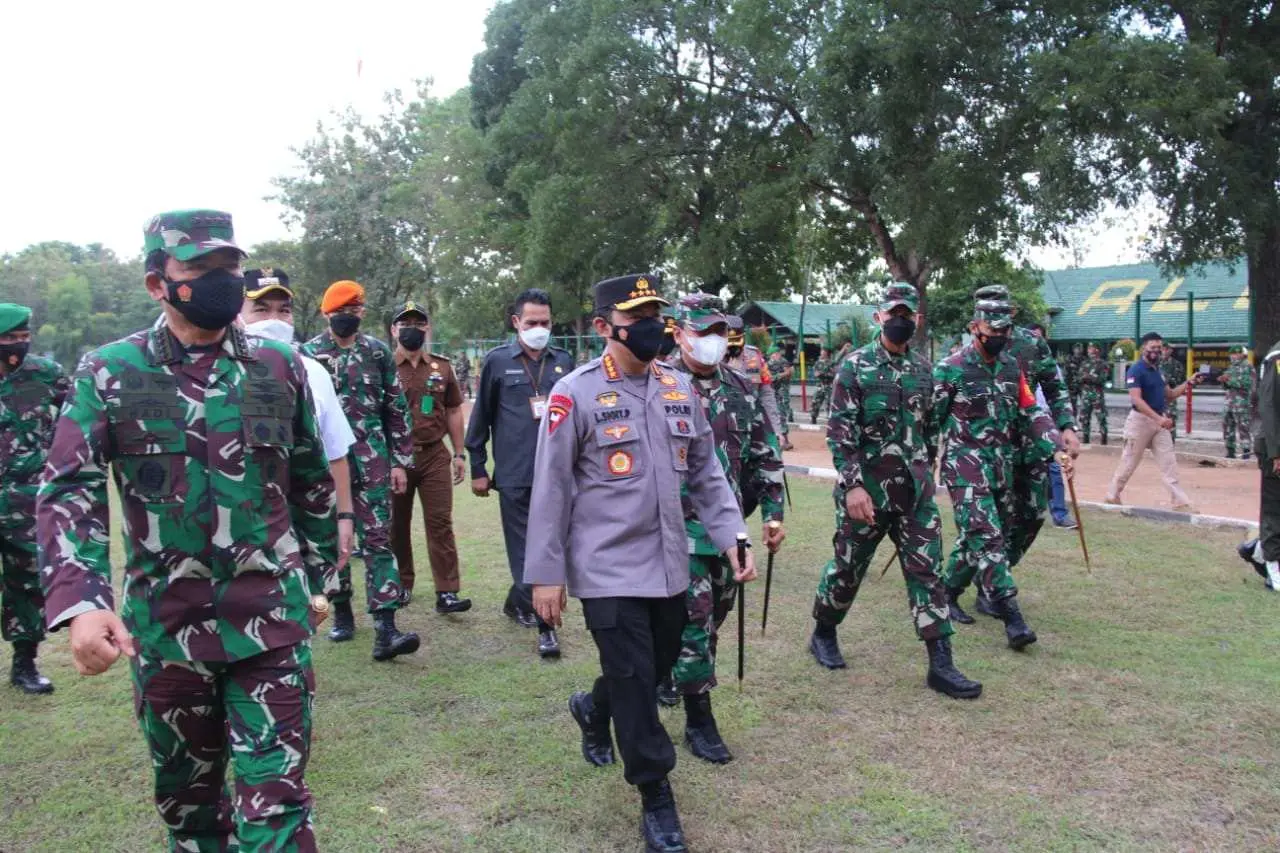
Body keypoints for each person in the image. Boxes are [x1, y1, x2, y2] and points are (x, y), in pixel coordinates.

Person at [38, 210, 336, 850]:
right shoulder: (111, 371)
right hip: (166, 633)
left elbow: (310, 476)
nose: (221, 281)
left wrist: (321, 583)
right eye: (199, 269)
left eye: (228, 267)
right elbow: (68, 485)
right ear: (158, 284)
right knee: (192, 814)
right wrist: (81, 603)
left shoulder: (279, 366)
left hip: (271, 626)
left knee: (278, 809)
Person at [524, 273, 755, 853]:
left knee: (648, 671)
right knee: (636, 681)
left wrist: (733, 536)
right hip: (606, 568)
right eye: (639, 317)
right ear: (605, 327)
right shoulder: (573, 394)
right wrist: (546, 575)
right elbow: (551, 490)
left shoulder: (678, 387)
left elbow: (706, 473)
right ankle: (656, 795)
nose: (652, 326)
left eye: (657, 314)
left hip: (670, 564)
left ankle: (591, 706)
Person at [809, 283, 980, 698]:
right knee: (848, 571)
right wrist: (851, 487)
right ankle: (823, 631)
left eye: (908, 314)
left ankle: (941, 663)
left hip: (915, 497)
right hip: (865, 495)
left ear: (917, 319)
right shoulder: (855, 367)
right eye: (894, 313)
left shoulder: (926, 370)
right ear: (878, 317)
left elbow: (931, 428)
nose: (901, 320)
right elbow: (839, 434)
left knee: (928, 573)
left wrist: (926, 474)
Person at [661, 293, 785, 762]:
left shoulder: (740, 389)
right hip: (674, 528)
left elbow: (764, 455)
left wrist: (773, 512)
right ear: (680, 333)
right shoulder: (661, 385)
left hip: (727, 529)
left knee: (714, 619)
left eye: (719, 331)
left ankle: (671, 673)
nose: (712, 341)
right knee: (694, 621)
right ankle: (699, 719)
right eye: (702, 331)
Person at [935, 294, 1066, 649]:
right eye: (993, 329)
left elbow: (1030, 411)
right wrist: (919, 467)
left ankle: (947, 591)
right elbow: (928, 421)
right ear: (974, 328)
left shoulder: (1012, 368)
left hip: (1001, 467)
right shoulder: (951, 368)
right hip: (965, 468)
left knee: (978, 539)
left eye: (1005, 329)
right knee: (988, 538)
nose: (1000, 335)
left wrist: (1055, 442)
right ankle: (1012, 617)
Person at [305, 281, 420, 658]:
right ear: (326, 315)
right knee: (332, 540)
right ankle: (341, 613)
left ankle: (386, 628)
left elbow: (395, 408)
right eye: (340, 313)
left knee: (377, 540)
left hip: (372, 460)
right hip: (325, 465)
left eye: (353, 312)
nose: (347, 318)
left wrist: (401, 462)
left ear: (362, 313)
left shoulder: (377, 352)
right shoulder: (308, 355)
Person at [465, 288, 574, 658]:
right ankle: (545, 626)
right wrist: (478, 467)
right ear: (516, 323)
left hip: (559, 474)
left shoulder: (564, 361)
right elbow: (480, 419)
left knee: (556, 545)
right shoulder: (497, 362)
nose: (539, 329)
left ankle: (518, 600)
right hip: (515, 474)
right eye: (532, 323)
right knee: (526, 551)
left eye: (545, 322)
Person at [240, 269, 357, 573]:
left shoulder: (312, 372)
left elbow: (336, 453)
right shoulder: (218, 374)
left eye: (284, 310)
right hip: (239, 527)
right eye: (261, 309)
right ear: (237, 314)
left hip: (301, 524)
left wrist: (344, 518)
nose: (274, 319)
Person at [970, 292, 1080, 575]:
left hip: (1029, 444)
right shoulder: (968, 348)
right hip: (985, 448)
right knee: (990, 521)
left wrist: (1066, 426)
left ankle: (1001, 571)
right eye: (987, 314)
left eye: (1001, 313)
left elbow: (1054, 387)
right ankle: (986, 583)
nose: (995, 324)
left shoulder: (1031, 343)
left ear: (1013, 312)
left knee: (1032, 513)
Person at [387, 302, 472, 615]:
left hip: (435, 454)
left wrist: (459, 453)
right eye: (405, 323)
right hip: (396, 458)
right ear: (394, 330)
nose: (413, 328)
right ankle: (402, 584)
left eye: (419, 323)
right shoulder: (383, 365)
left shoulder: (442, 367)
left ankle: (447, 591)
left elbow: (452, 411)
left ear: (427, 329)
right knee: (397, 525)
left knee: (440, 522)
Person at [0, 304, 68, 694]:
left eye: (25, 338)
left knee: (27, 585)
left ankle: (25, 663)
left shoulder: (46, 374)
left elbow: (78, 421)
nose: (19, 346)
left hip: (27, 504)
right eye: (10, 339)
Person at [1104, 331, 1202, 512]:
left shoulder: (1158, 371)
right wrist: (1159, 419)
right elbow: (1136, 400)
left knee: (1169, 462)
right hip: (1140, 422)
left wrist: (1188, 383)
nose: (1156, 351)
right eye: (1152, 348)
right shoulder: (1136, 370)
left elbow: (1170, 395)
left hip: (1159, 421)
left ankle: (1180, 502)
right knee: (1129, 461)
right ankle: (1112, 495)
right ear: (1143, 348)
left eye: (1159, 347)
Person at [1238, 338, 1280, 590]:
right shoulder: (1278, 357)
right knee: (1275, 509)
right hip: (1274, 445)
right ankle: (1273, 568)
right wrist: (1276, 453)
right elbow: (1270, 405)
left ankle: (1257, 549)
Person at [1221, 345, 1256, 460]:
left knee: (1243, 428)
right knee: (1227, 427)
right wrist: (1223, 381)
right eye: (1232, 354)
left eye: (1236, 354)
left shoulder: (1248, 367)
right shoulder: (1231, 368)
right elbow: (1226, 386)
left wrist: (1229, 380)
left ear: (1242, 354)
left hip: (1242, 404)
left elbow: (1248, 384)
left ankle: (1246, 452)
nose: (1233, 356)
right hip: (1229, 403)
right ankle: (1230, 451)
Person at [1077, 342, 1110, 445]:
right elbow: (1079, 378)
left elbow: (1102, 379)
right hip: (1086, 395)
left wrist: (1089, 377)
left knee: (1101, 418)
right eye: (1089, 348)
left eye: (1091, 348)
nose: (1089, 350)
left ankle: (1104, 441)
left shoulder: (1102, 364)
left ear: (1097, 350)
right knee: (1084, 418)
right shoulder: (1084, 363)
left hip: (1097, 395)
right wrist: (1083, 378)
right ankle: (1085, 440)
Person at [767, 344, 795, 450]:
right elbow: (770, 378)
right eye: (775, 354)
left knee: (781, 415)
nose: (778, 355)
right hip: (771, 394)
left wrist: (787, 373)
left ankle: (783, 440)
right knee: (777, 415)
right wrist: (783, 374)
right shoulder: (768, 364)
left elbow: (789, 373)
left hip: (779, 393)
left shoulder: (782, 361)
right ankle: (782, 440)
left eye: (778, 353)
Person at [1160, 342, 1186, 440]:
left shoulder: (1177, 365)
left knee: (1171, 422)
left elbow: (1180, 381)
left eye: (1168, 349)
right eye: (1164, 349)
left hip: (1170, 396)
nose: (1166, 351)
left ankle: (1171, 445)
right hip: (1156, 396)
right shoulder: (1155, 363)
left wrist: (1167, 380)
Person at [809, 347, 835, 423]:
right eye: (821, 351)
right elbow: (815, 373)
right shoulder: (818, 363)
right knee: (815, 402)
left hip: (829, 386)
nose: (822, 352)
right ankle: (813, 417)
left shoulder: (831, 363)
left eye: (823, 351)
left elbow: (834, 374)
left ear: (827, 353)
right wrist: (818, 374)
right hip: (820, 385)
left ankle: (830, 419)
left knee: (829, 403)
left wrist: (823, 374)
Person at [1066, 342, 1085, 416]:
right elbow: (1067, 372)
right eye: (1076, 348)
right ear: (1073, 350)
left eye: (1079, 349)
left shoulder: (1084, 360)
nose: (1078, 350)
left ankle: (1084, 419)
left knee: (1084, 404)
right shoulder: (1069, 359)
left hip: (1082, 385)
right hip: (1072, 386)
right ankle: (1074, 420)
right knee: (1073, 404)